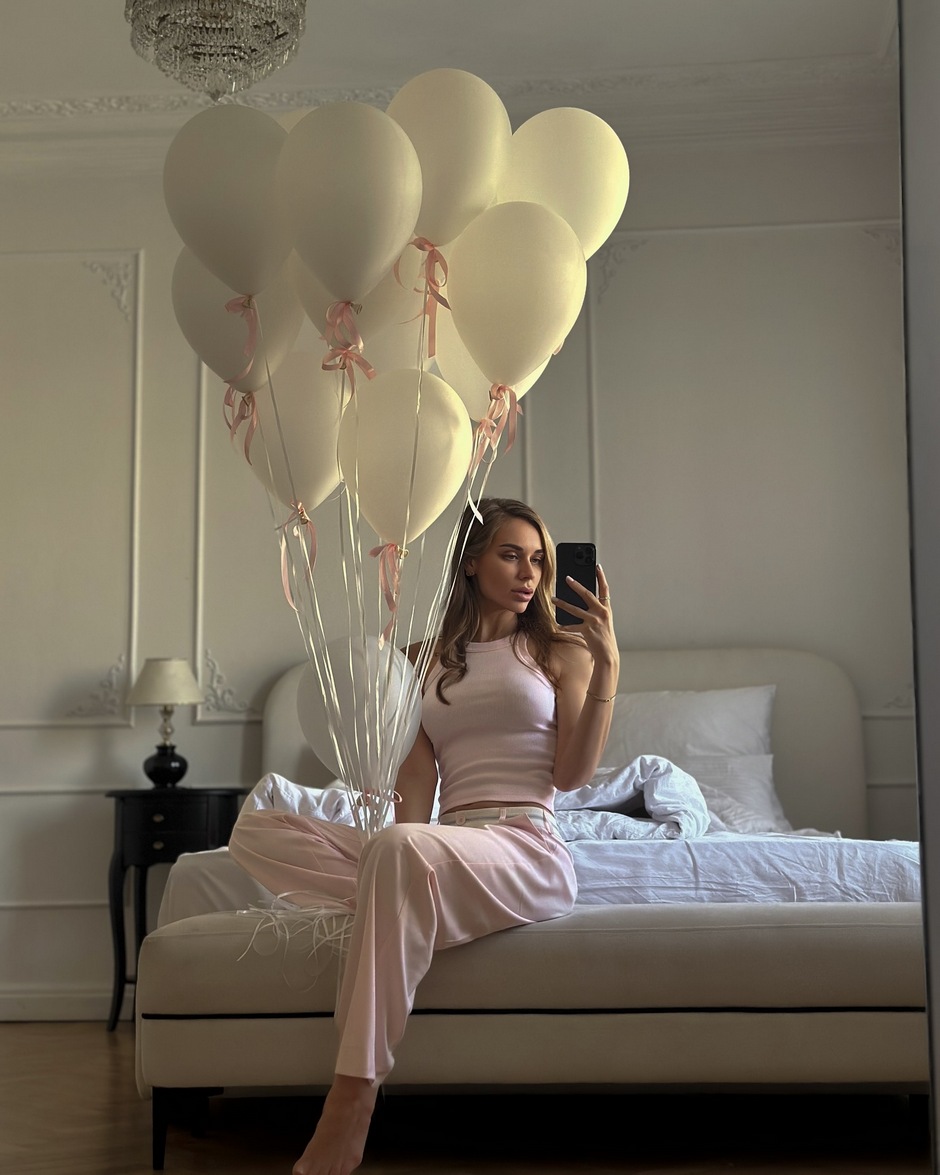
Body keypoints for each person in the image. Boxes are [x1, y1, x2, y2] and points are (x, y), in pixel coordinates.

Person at [228, 497, 620, 1175]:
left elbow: (572, 775)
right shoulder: (417, 660)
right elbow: (416, 789)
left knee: (401, 853)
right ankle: (407, 895)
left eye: (538, 560)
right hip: (445, 844)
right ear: (470, 562)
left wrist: (608, 666)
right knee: (257, 830)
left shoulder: (564, 651)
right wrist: (396, 851)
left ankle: (352, 1096)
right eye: (510, 555)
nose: (529, 573)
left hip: (528, 848)